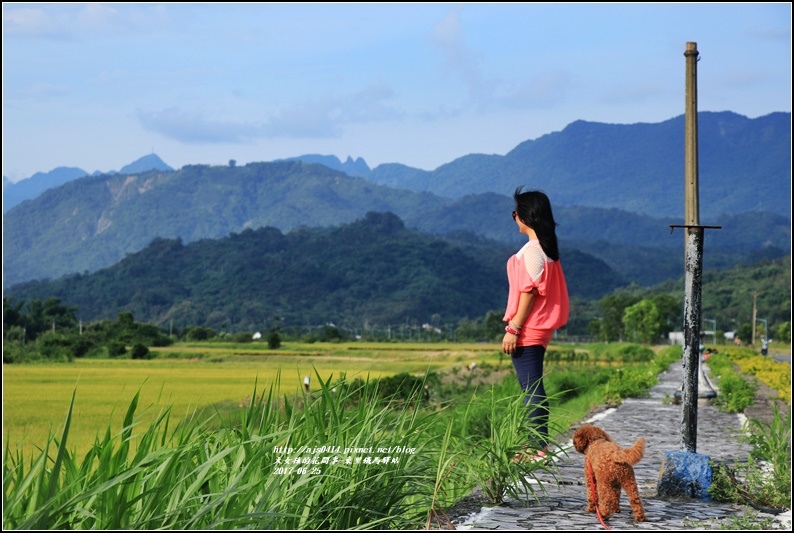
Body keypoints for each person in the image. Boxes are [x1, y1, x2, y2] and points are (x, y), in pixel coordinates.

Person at [502, 188, 569, 462]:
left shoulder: (533, 251)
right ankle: (535, 445)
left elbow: (528, 292)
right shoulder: (546, 249)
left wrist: (513, 329)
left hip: (528, 327)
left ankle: (536, 448)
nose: (514, 217)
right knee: (532, 386)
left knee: (531, 388)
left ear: (524, 216)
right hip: (539, 326)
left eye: (515, 212)